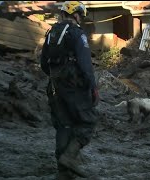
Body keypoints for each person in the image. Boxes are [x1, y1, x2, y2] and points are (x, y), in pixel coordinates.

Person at [39, 1, 99, 179]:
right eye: (81, 15)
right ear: (76, 14)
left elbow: (43, 64)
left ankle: (63, 172)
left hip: (54, 87)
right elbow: (85, 64)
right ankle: (69, 157)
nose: (81, 18)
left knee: (64, 125)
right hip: (74, 88)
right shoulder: (77, 33)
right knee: (88, 122)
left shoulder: (51, 33)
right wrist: (93, 87)